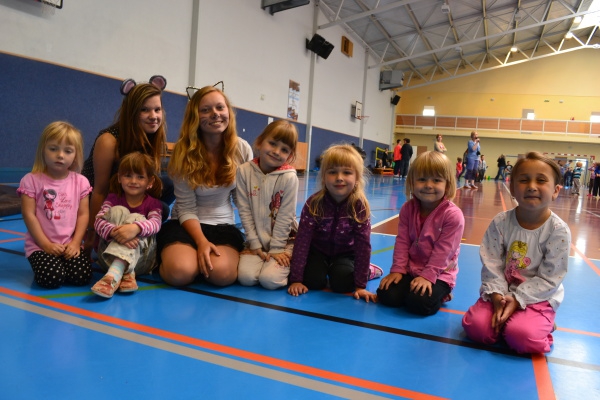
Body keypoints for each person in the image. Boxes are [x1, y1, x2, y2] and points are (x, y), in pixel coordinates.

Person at [462, 152, 570, 354]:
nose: (532, 186)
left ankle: (543, 324)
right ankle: (508, 321)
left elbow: (549, 278)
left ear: (555, 190)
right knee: (476, 328)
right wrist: (497, 296)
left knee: (522, 337)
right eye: (523, 180)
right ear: (511, 187)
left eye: (541, 180)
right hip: (500, 293)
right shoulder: (500, 222)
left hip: (537, 297)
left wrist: (518, 299)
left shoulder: (558, 231)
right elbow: (492, 263)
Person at [157, 85, 253, 287]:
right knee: (180, 273)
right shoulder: (184, 151)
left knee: (222, 275)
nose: (215, 114)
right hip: (186, 224)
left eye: (220, 107)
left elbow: (242, 198)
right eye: (205, 110)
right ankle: (171, 257)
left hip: (222, 225)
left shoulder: (241, 148)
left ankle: (198, 262)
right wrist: (201, 242)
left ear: (228, 111)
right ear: (195, 117)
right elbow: (186, 207)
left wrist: (257, 235)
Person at [82, 76, 173, 254]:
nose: (153, 116)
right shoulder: (109, 140)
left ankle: (136, 224)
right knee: (162, 208)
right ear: (131, 112)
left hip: (127, 192)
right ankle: (122, 225)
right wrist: (92, 233)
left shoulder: (151, 136)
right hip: (106, 198)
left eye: (157, 109)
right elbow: (98, 190)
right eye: (144, 110)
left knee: (169, 185)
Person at [287, 144, 381, 302]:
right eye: (332, 172)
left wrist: (360, 286)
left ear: (357, 178)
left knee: (342, 284)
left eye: (347, 172)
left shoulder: (359, 206)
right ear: (323, 177)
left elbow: (363, 245)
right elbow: (302, 241)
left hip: (346, 253)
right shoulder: (314, 204)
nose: (339, 177)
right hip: (318, 251)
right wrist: (296, 279)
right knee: (312, 281)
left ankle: (370, 270)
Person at [377, 151, 465, 315]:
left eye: (436, 180)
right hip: (411, 269)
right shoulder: (407, 209)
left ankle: (443, 293)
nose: (428, 185)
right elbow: (402, 241)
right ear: (412, 182)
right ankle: (411, 287)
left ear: (447, 184)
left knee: (419, 303)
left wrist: (428, 276)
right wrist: (398, 269)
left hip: (439, 273)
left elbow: (444, 251)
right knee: (387, 295)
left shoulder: (453, 215)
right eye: (422, 179)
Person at [17, 121, 92, 289]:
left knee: (82, 276)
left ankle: (60, 263)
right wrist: (45, 245)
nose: (60, 155)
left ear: (75, 155)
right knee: (52, 278)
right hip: (40, 245)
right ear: (43, 150)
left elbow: (83, 215)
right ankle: (51, 263)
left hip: (68, 244)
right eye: (53, 149)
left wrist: (75, 243)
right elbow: (29, 215)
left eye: (68, 151)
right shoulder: (31, 180)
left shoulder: (81, 182)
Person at [90, 152, 163, 298]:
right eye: (128, 175)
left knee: (138, 218)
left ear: (150, 181)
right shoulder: (112, 199)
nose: (133, 181)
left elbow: (156, 224)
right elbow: (98, 222)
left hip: (141, 262)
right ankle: (125, 273)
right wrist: (117, 234)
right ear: (119, 178)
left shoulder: (154, 204)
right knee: (118, 211)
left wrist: (135, 228)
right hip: (108, 257)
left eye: (140, 177)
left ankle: (113, 275)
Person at [236, 120, 299, 290]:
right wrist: (254, 243)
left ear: (290, 155)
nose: (276, 152)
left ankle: (296, 261)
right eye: (272, 143)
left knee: (269, 280)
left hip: (284, 241)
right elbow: (244, 210)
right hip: (256, 240)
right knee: (246, 278)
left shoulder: (289, 177)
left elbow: (286, 216)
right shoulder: (243, 171)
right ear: (260, 142)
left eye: (284, 150)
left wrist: (277, 248)